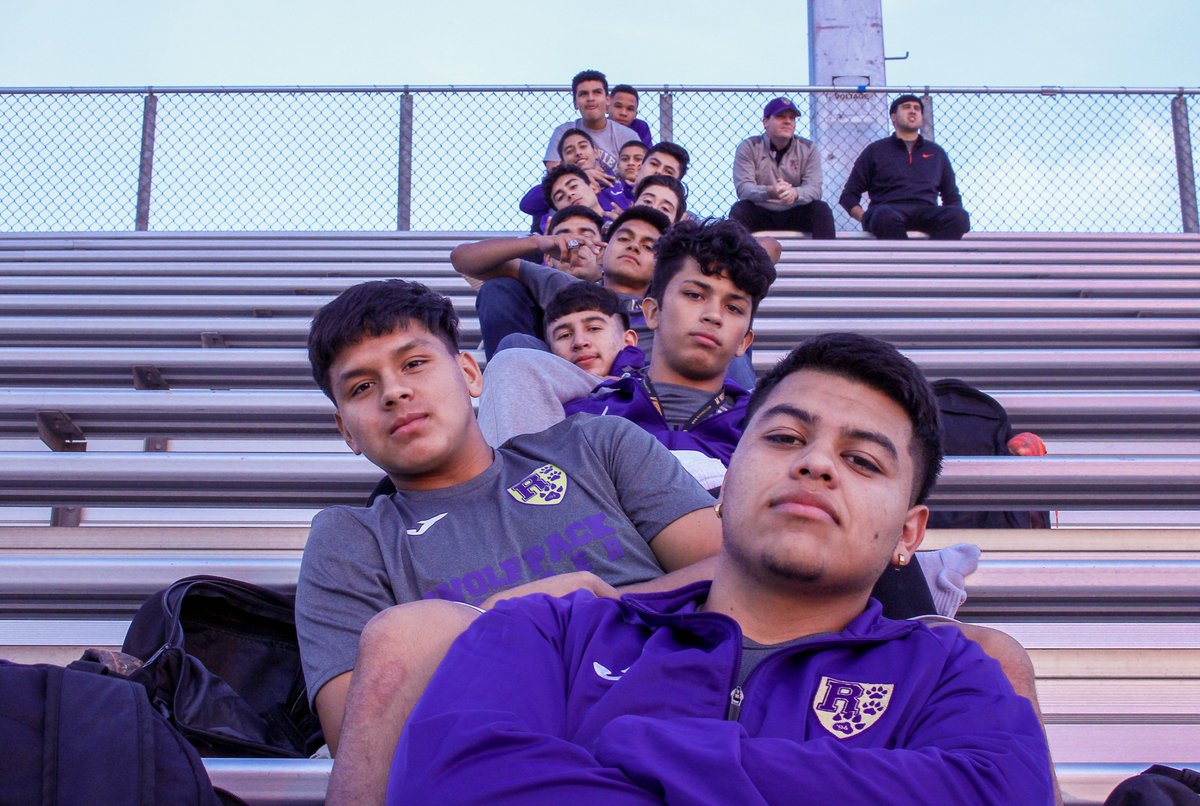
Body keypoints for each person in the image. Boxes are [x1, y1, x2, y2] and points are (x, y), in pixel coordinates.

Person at [388, 332, 1056, 805]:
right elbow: (450, 781)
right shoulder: (553, 631)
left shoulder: (948, 672)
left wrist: (657, 748)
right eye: (786, 437)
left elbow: (998, 795)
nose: (816, 463)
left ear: (907, 535)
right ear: (727, 474)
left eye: (863, 461)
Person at [298, 278, 723, 804]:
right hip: (499, 763)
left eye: (414, 363)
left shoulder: (596, 444)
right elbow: (359, 736)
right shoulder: (352, 539)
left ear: (470, 373)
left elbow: (729, 575)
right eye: (361, 387)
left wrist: (590, 612)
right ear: (347, 431)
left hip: (674, 712)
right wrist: (525, 612)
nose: (393, 392)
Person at [562, 218, 773, 472]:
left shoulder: (765, 433)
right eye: (695, 295)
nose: (713, 315)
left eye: (734, 307)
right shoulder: (585, 417)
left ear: (744, 341)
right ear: (652, 312)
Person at [456, 205, 671, 358]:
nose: (634, 246)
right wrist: (538, 242)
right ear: (602, 251)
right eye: (624, 238)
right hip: (565, 385)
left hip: (640, 396)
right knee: (499, 290)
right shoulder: (570, 288)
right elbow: (462, 259)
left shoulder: (667, 309)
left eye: (648, 246)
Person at [838, 94, 971, 240]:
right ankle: (902, 260)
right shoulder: (875, 150)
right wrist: (865, 218)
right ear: (893, 117)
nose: (912, 111)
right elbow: (848, 196)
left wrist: (955, 213)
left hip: (927, 211)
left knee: (959, 217)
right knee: (883, 215)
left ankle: (934, 259)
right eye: (906, 107)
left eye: (917, 108)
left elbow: (951, 196)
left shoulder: (936, 153)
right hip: (888, 211)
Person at [730, 96, 835, 239]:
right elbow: (744, 188)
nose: (787, 121)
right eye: (780, 116)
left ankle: (825, 259)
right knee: (739, 210)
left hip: (795, 210)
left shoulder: (808, 148)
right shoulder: (749, 147)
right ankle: (737, 261)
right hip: (761, 211)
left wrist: (795, 193)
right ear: (765, 122)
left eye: (792, 118)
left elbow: (814, 188)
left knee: (821, 209)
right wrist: (769, 191)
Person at [545, 69, 639, 176]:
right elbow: (553, 172)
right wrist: (584, 175)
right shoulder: (563, 132)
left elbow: (640, 175)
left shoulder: (628, 136)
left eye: (597, 92)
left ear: (607, 99)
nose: (590, 98)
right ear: (575, 103)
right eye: (583, 94)